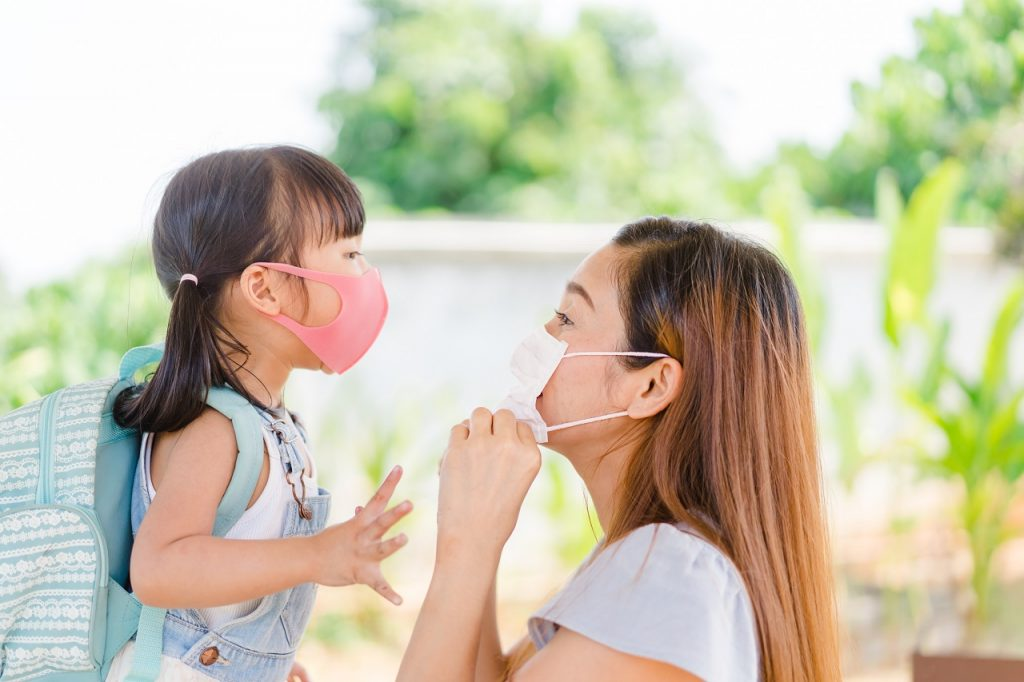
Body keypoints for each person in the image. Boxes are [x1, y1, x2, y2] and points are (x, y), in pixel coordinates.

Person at [398, 217, 841, 681]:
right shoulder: (651, 560)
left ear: (651, 385)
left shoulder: (669, 577)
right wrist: (477, 533)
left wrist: (465, 544)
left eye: (568, 318)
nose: (542, 335)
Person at [105, 146, 412, 681]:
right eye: (348, 255)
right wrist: (318, 555)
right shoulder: (214, 428)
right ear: (265, 288)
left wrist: (266, 659)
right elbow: (159, 568)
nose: (365, 275)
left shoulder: (275, 425)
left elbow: (226, 589)